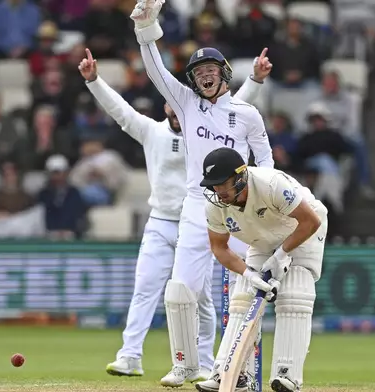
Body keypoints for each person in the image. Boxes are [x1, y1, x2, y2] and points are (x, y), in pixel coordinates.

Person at [76, 48, 271, 378]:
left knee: (215, 297)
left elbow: (234, 108)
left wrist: (255, 79)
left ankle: (215, 365)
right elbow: (121, 111)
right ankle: (136, 356)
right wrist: (94, 81)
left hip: (220, 210)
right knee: (164, 291)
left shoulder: (212, 112)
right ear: (168, 103)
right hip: (168, 221)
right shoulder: (155, 130)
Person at [130, 0, 275, 386]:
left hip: (244, 205)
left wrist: (267, 203)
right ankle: (187, 365)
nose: (205, 76)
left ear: (224, 73)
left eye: (211, 70)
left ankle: (239, 371)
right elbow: (156, 71)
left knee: (247, 291)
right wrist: (145, 29)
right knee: (180, 292)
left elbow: (266, 161)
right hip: (199, 204)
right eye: (199, 72)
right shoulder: (186, 103)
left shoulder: (246, 113)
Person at [195, 147, 327, 392]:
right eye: (214, 185)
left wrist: (283, 254)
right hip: (262, 239)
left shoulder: (270, 184)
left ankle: (287, 375)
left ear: (241, 176)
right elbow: (220, 248)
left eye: (223, 184)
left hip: (303, 229)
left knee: (294, 296)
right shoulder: (216, 206)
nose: (219, 192)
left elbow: (310, 221)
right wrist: (248, 274)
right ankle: (229, 373)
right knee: (243, 297)